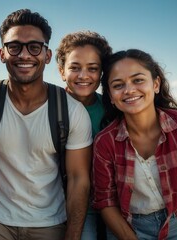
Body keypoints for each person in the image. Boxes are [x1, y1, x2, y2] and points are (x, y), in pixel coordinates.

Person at [0, 9, 92, 240]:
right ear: (2, 53)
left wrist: (73, 236)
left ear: (47, 55)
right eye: (14, 46)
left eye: (34, 47)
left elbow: (78, 179)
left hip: (50, 223)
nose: (24, 55)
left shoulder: (71, 111)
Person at [92, 49, 177, 240]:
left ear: (155, 84)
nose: (129, 90)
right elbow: (105, 201)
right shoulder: (105, 142)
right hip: (124, 227)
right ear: (111, 97)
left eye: (138, 80)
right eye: (118, 85)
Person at [55, 30, 112, 240]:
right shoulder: (51, 106)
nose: (83, 75)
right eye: (75, 67)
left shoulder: (112, 110)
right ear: (62, 71)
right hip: (66, 208)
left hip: (111, 206)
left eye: (93, 68)